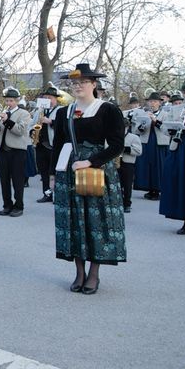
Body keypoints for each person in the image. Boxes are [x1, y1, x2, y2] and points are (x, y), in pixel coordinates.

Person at [50, 63, 126, 295]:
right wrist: (53, 174)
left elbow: (117, 145)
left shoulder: (108, 110)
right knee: (73, 220)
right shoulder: (64, 112)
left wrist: (91, 161)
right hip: (69, 172)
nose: (78, 86)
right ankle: (79, 272)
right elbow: (58, 144)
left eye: (83, 82)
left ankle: (94, 274)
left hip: (97, 171)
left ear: (94, 84)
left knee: (97, 222)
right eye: (74, 83)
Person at [159, 80, 185, 234]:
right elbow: (167, 128)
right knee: (182, 181)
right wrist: (171, 127)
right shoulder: (179, 108)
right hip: (181, 147)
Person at [0, 86, 32, 217]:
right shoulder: (4, 113)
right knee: (4, 180)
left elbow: (20, 131)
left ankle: (19, 206)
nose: (8, 103)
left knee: (17, 180)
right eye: (7, 101)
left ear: (17, 101)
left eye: (11, 101)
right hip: (3, 150)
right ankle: (7, 205)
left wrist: (7, 121)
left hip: (17, 151)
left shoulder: (24, 114)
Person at [134, 91, 169, 200]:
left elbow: (167, 129)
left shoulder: (165, 114)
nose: (152, 103)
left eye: (155, 101)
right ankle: (149, 188)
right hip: (147, 142)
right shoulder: (144, 114)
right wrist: (143, 125)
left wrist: (155, 120)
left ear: (159, 103)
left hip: (159, 143)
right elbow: (137, 130)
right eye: (150, 101)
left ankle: (158, 190)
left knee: (158, 166)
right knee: (147, 165)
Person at [36, 83, 63, 203]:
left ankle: (57, 194)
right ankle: (46, 193)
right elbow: (32, 124)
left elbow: (64, 126)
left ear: (56, 99)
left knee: (55, 171)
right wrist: (33, 131)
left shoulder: (61, 110)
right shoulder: (40, 110)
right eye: (45, 98)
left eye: (50, 98)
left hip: (53, 146)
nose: (47, 100)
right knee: (44, 171)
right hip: (40, 144)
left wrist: (50, 121)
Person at [119, 114, 143, 213]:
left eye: (123, 128)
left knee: (127, 184)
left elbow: (139, 151)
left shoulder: (134, 137)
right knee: (117, 184)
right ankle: (119, 202)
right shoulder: (114, 136)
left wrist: (126, 149)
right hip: (116, 162)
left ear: (127, 127)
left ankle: (127, 203)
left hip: (128, 163)